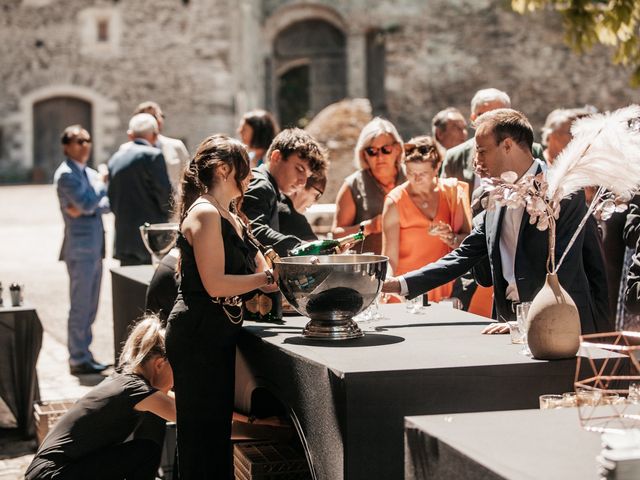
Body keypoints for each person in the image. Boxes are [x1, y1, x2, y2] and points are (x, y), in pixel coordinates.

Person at [383, 108, 609, 335]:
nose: (476, 161)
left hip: (559, 324)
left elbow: (564, 268)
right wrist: (399, 284)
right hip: (504, 320)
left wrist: (523, 321)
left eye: (482, 151)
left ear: (508, 145)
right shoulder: (492, 195)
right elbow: (465, 255)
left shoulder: (564, 191)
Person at [165, 134, 278, 478]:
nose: (252, 174)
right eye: (246, 166)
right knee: (202, 440)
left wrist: (268, 273)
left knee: (215, 436)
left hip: (216, 334)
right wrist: (262, 280)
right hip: (198, 333)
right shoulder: (205, 212)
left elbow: (256, 264)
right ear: (224, 169)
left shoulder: (229, 214)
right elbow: (215, 284)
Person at [25, 315, 176, 480]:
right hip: (53, 474)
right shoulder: (137, 390)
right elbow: (187, 415)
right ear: (159, 364)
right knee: (147, 451)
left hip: (45, 472)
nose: (177, 379)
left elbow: (174, 401)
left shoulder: (124, 380)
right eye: (177, 370)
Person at [382, 135, 472, 303]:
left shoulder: (452, 192)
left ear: (437, 167)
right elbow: (390, 258)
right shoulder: (394, 201)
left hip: (444, 283)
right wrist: (387, 284)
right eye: (410, 173)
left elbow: (470, 242)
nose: (415, 179)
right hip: (405, 288)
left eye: (422, 173)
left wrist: (451, 238)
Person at [53, 125, 110, 375]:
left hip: (95, 248)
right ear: (66, 146)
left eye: (87, 140)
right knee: (80, 305)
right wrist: (102, 183)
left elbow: (103, 205)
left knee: (91, 306)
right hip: (79, 250)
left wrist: (90, 204)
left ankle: (84, 353)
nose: (85, 145)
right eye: (78, 141)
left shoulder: (87, 173)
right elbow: (88, 202)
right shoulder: (66, 175)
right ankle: (78, 358)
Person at [440, 88, 544, 203]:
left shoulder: (531, 150)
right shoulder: (455, 156)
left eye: (500, 115)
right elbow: (446, 200)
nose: (492, 120)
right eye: (485, 115)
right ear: (474, 118)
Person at [242, 128, 328, 256]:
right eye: (299, 169)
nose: (303, 181)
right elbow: (254, 230)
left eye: (307, 175)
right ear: (276, 157)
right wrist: (302, 247)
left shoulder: (274, 191)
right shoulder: (261, 184)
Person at [332, 117, 406, 254]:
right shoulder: (352, 185)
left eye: (386, 149)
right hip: (369, 269)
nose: (379, 156)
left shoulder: (413, 177)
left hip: (412, 265)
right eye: (372, 151)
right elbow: (337, 236)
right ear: (364, 155)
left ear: (398, 149)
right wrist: (370, 227)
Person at [108, 113, 173, 265]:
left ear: (130, 135)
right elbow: (165, 196)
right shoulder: (154, 156)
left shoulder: (116, 158)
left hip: (124, 238)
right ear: (155, 134)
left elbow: (111, 198)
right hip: (151, 239)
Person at [134, 101, 190, 191]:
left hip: (173, 202)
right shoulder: (129, 150)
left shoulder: (177, 146)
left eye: (160, 116)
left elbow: (188, 178)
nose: (158, 119)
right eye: (152, 117)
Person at [278, 171, 327, 241]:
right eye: (317, 195)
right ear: (302, 184)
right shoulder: (296, 221)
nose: (315, 202)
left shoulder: (270, 203)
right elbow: (317, 249)